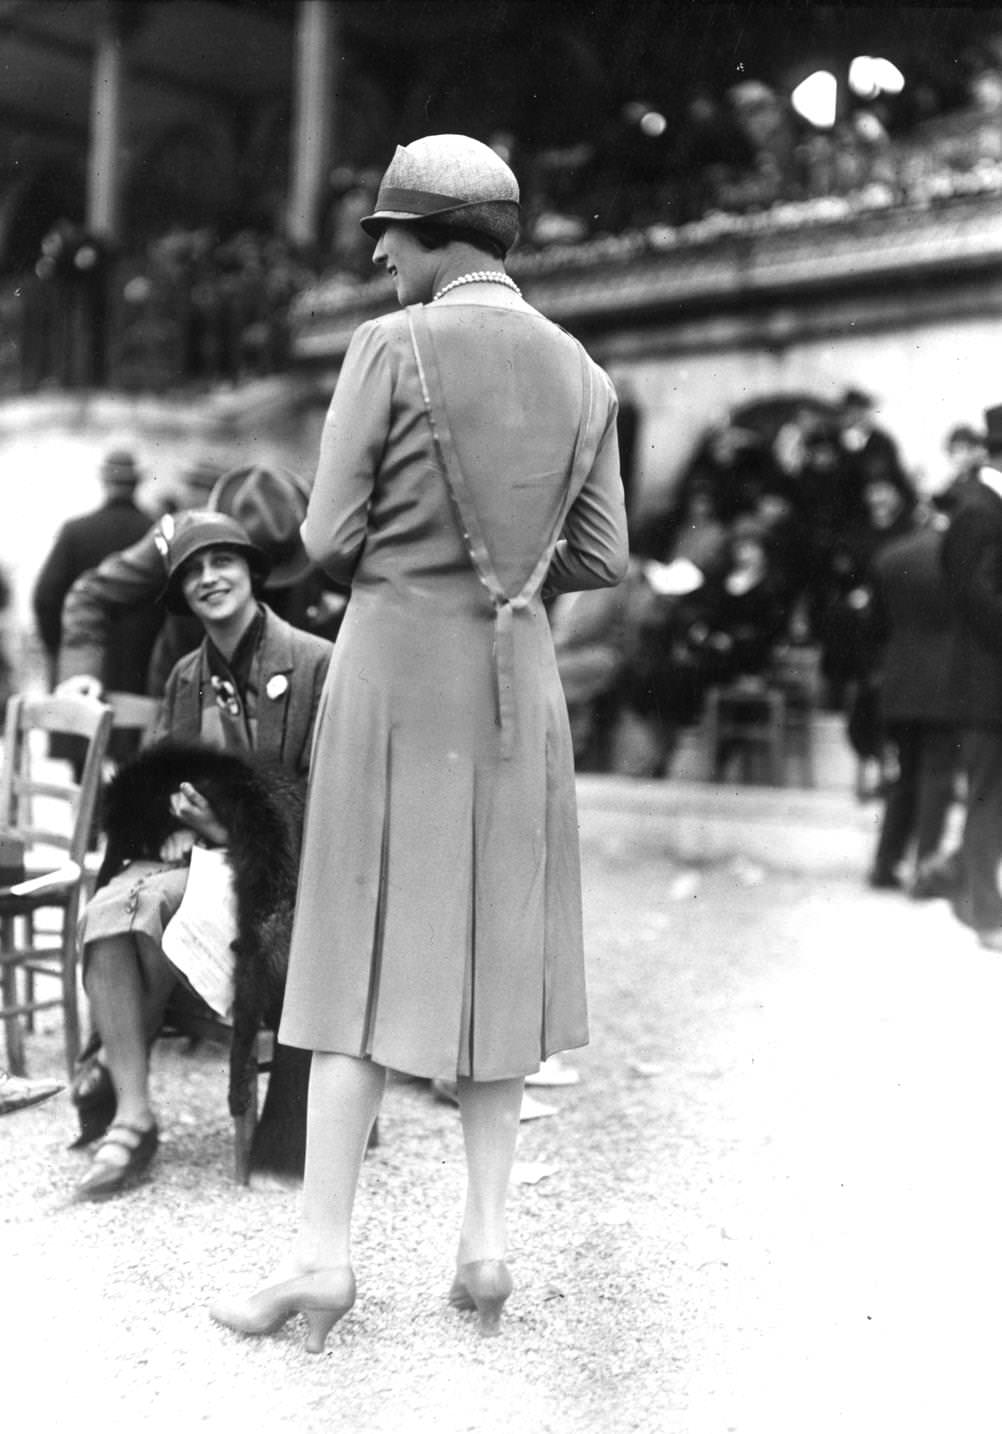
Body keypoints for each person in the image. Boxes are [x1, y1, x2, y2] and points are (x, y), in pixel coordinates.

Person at [208, 132, 628, 1352]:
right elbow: (597, 556)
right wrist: (511, 560)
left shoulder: (390, 346)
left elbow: (329, 538)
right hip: (517, 687)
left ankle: (323, 1264)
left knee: (350, 964)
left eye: (388, 232)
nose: (380, 252)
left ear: (434, 234)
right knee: (498, 959)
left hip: (395, 674)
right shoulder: (583, 371)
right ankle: (486, 1250)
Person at [71, 513, 333, 1201]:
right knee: (111, 905)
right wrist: (172, 815)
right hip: (209, 865)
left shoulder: (313, 662)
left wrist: (224, 822)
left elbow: (332, 799)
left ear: (252, 571)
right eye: (191, 571)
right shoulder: (188, 677)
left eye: (222, 562)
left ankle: (116, 1061)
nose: (208, 579)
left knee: (146, 904)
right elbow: (159, 776)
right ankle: (133, 1114)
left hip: (290, 880)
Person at [56, 464, 340, 701]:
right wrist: (81, 674)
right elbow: (92, 594)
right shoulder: (178, 537)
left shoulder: (320, 545)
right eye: (224, 561)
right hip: (190, 690)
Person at [866, 506, 961, 893]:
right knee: (937, 777)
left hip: (900, 679)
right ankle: (925, 868)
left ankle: (885, 865)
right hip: (947, 682)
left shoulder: (890, 556)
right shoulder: (961, 558)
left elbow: (875, 626)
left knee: (903, 777)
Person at [941, 403, 1002, 951]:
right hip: (987, 685)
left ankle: (964, 885)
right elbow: (972, 596)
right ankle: (984, 914)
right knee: (989, 799)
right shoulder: (978, 510)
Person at [33, 449, 158, 698]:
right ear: (137, 483)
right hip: (142, 671)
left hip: (81, 671)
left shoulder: (75, 532)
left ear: (104, 481)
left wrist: (60, 648)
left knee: (81, 730)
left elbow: (45, 598)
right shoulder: (156, 531)